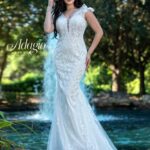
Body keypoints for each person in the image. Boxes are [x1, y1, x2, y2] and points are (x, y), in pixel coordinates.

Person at [44, 0, 118, 149]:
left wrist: (89, 53)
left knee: (69, 92)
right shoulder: (58, 12)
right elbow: (47, 29)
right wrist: (49, 6)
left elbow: (99, 32)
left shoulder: (85, 11)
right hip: (60, 58)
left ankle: (81, 139)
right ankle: (67, 139)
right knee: (64, 96)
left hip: (78, 57)